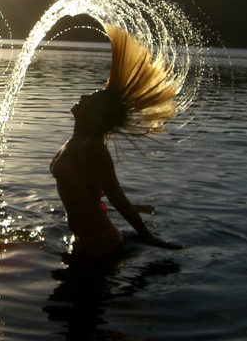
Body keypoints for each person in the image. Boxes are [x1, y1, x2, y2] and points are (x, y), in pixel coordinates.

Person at [50, 24, 184, 258]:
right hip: (84, 239)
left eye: (90, 100)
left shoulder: (93, 147)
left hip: (100, 241)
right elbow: (88, 186)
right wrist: (135, 208)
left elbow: (116, 196)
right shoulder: (77, 140)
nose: (82, 97)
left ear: (97, 118)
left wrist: (147, 236)